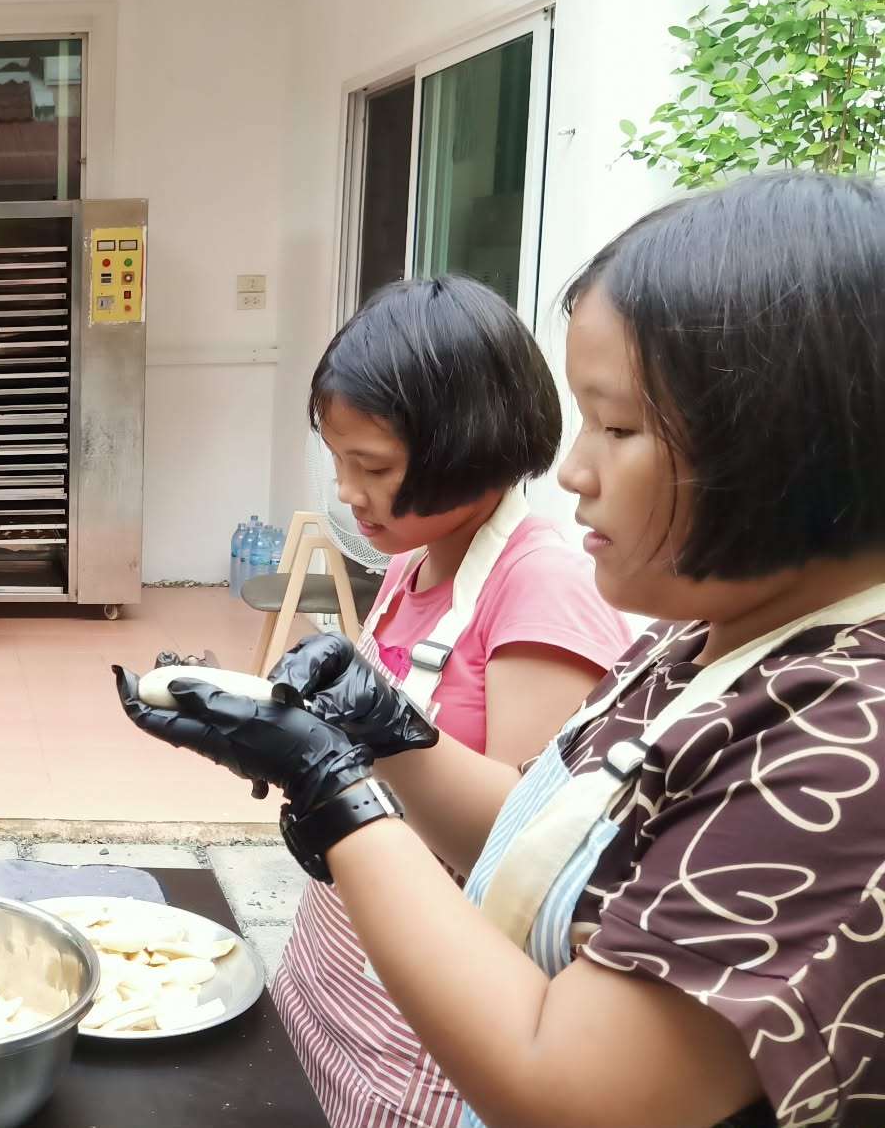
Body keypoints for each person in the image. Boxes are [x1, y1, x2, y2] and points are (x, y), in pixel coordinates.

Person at [119, 171, 885, 1128]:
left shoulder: (844, 744)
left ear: (781, 444)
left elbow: (569, 1086)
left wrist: (333, 782)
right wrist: (378, 727)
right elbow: (530, 838)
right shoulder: (705, 648)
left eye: (616, 426)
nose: (572, 469)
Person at [267, 275, 631, 1127]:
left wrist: (372, 727)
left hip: (425, 1026)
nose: (348, 493)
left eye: (374, 467)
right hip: (339, 966)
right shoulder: (412, 563)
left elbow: (524, 841)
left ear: (466, 448)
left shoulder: (540, 583)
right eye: (338, 462)